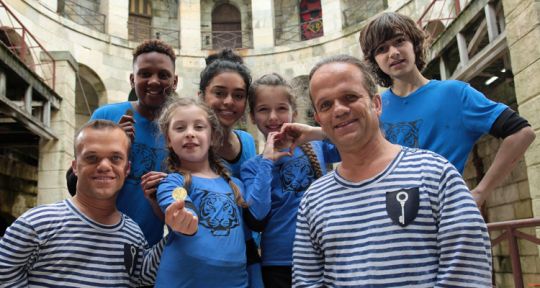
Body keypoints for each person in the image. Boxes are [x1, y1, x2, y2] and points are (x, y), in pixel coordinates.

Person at [292, 55, 493, 287]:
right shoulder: (314, 199)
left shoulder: (436, 174)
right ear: (318, 119)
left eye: (350, 97)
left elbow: (468, 274)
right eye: (326, 105)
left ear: (376, 104)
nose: (339, 110)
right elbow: (306, 281)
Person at [359, 12, 535, 206]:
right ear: (375, 60)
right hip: (392, 220)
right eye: (382, 49)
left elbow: (521, 133)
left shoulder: (455, 94)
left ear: (415, 44)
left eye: (400, 41)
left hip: (444, 217)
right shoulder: (376, 107)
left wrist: (480, 192)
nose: (393, 52)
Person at [0, 120, 172, 287]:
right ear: (75, 167)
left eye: (115, 158)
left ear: (127, 169)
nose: (104, 166)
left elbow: (142, 276)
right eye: (92, 158)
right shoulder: (37, 223)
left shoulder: (133, 233)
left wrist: (180, 228)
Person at [241, 73, 340, 287]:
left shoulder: (316, 145)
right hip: (279, 263)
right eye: (263, 109)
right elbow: (257, 213)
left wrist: (315, 132)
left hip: (325, 254)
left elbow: (355, 142)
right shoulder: (252, 167)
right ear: (252, 117)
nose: (273, 117)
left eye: (281, 108)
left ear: (293, 112)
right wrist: (267, 162)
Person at [89, 39, 178, 245]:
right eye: (145, 74)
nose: (154, 81)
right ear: (132, 79)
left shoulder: (179, 130)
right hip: (97, 241)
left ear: (174, 82)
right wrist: (112, 144)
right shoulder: (105, 115)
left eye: (163, 75)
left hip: (148, 247)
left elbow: (182, 191)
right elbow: (74, 182)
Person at [154, 98, 249, 287]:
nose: (190, 133)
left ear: (212, 136)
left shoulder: (236, 185)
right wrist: (184, 214)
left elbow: (247, 241)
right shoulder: (173, 182)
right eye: (180, 128)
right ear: (169, 140)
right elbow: (176, 198)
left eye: (199, 127)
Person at [199, 49, 264, 287]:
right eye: (219, 93)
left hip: (248, 256)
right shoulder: (191, 148)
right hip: (208, 259)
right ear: (201, 96)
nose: (228, 102)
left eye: (238, 95)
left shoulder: (247, 142)